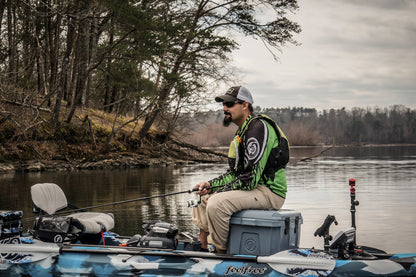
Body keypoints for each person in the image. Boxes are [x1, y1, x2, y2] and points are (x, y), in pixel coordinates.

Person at [191, 86, 289, 253]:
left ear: (245, 105)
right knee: (202, 194)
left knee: (216, 203)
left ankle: (221, 253)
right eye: (223, 105)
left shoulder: (258, 128)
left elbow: (251, 178)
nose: (224, 109)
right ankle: (202, 248)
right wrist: (210, 185)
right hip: (254, 189)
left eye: (229, 104)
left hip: (269, 192)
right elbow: (236, 174)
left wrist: (221, 191)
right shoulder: (242, 131)